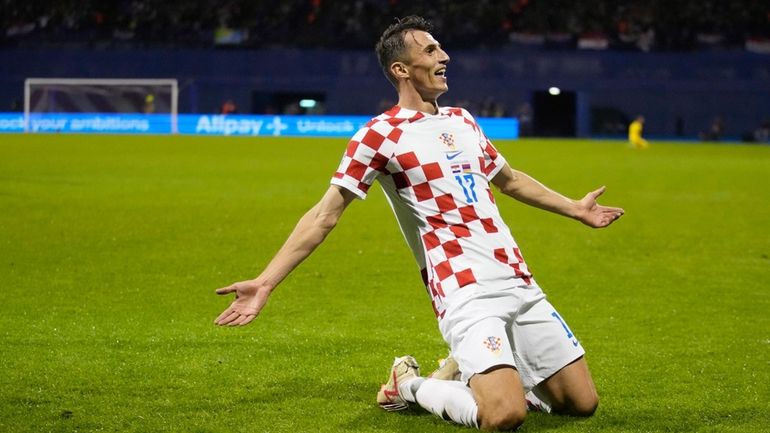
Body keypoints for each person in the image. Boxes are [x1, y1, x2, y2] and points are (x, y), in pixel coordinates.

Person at [214, 15, 624, 431]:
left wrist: (575, 208)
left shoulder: (463, 121)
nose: (444, 56)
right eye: (430, 50)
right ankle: (408, 385)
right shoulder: (379, 135)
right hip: (462, 288)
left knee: (582, 403)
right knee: (504, 415)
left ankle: (475, 368)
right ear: (401, 69)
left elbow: (511, 180)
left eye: (440, 48)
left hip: (517, 277)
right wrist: (266, 282)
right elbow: (324, 216)